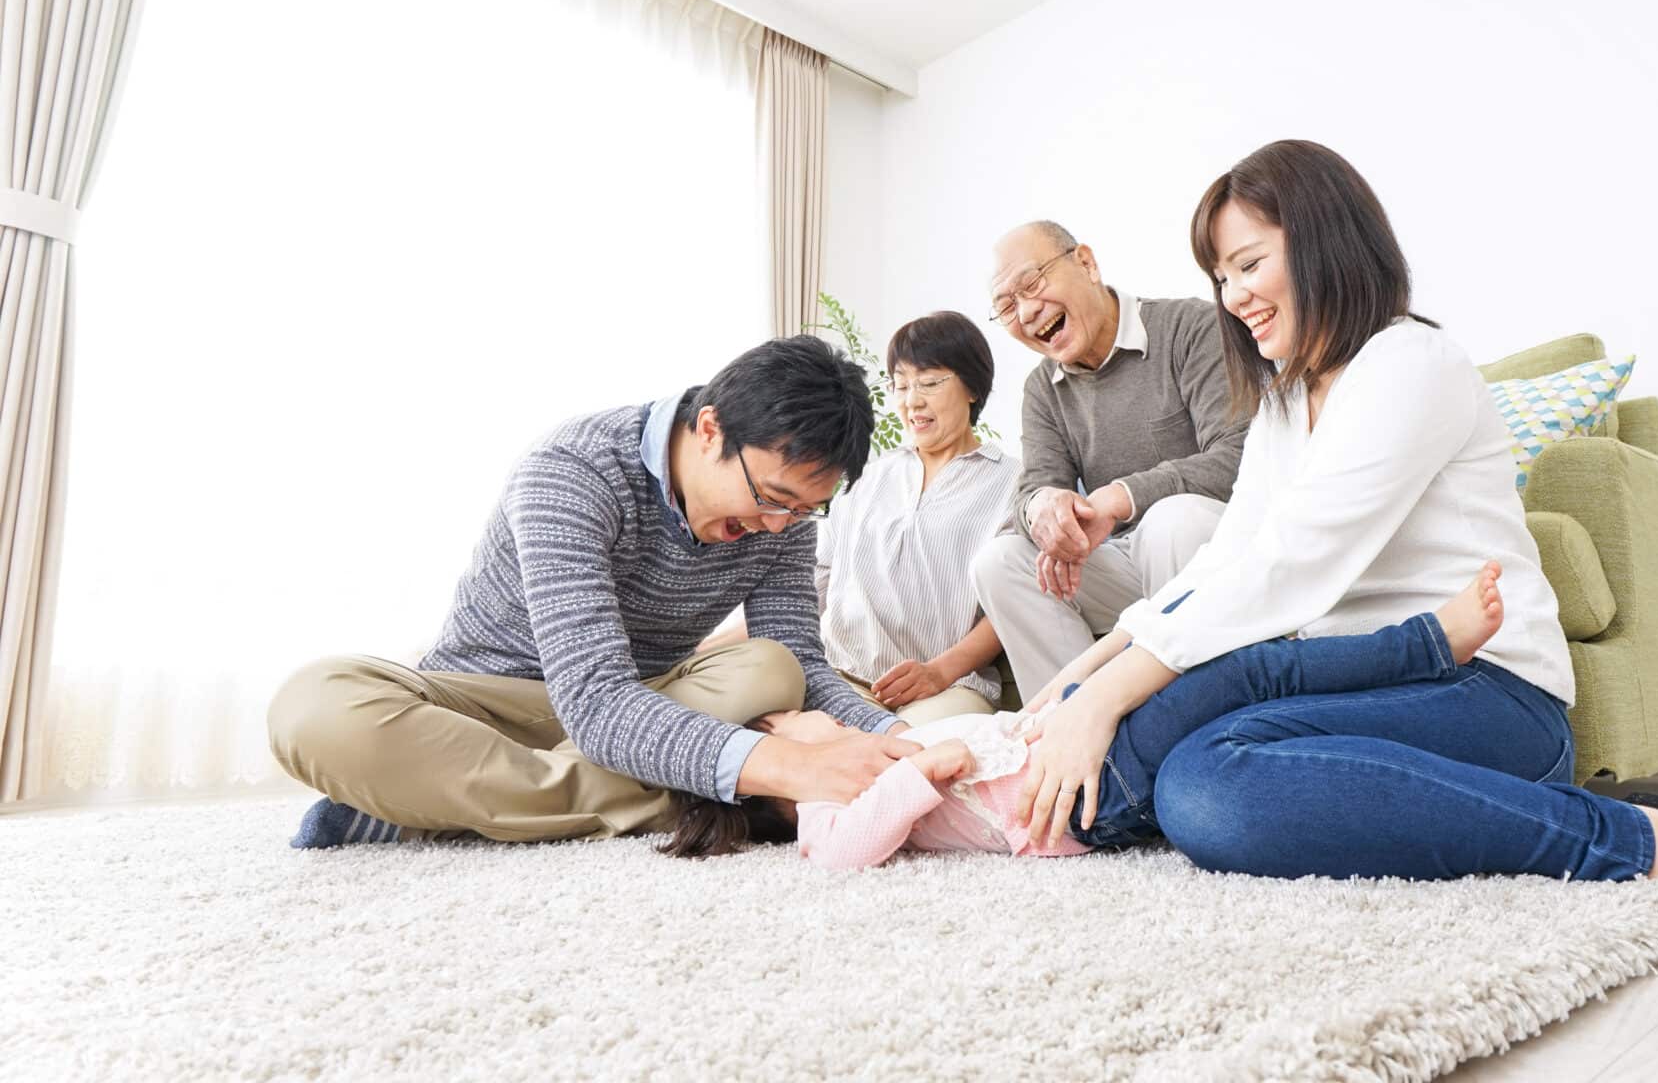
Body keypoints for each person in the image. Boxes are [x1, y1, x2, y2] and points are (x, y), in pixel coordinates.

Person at [1008, 139, 1658, 935]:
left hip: (1485, 693)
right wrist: (1077, 683)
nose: (1234, 298)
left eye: (1248, 265)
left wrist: (1111, 695)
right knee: (1188, 770)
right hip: (1360, 678)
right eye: (1220, 278)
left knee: (1205, 790)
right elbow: (1227, 557)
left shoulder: (1410, 365)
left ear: (1323, 241)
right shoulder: (1283, 400)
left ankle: (1634, 840)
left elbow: (1290, 565)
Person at [266, 336, 920, 849]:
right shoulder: (574, 470)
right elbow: (593, 699)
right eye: (772, 499)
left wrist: (903, 743)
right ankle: (698, 797)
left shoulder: (783, 519)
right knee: (312, 709)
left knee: (770, 668)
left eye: (805, 510)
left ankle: (433, 811)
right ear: (711, 428)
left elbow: (800, 663)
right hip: (490, 709)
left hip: (644, 701)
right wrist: (790, 769)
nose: (777, 526)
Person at [666, 564, 1512, 867]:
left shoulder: (884, 745)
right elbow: (842, 859)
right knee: (1246, 670)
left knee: (1243, 673)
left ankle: (1410, 677)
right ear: (769, 756)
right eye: (790, 717)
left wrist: (1070, 691)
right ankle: (1423, 646)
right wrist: (919, 774)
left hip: (1080, 750)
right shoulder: (820, 801)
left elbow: (1009, 724)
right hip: (1088, 798)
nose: (811, 712)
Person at [969, 220, 1248, 701]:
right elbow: (1032, 489)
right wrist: (1044, 509)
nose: (1027, 310)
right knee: (998, 562)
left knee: (1171, 521)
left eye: (1032, 284)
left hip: (1211, 552)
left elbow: (1240, 455)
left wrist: (1123, 497)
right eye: (1006, 306)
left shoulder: (1190, 328)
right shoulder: (1042, 389)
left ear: (1086, 263)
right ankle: (1069, 726)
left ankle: (1187, 716)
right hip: (1123, 566)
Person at [699, 312, 1018, 726]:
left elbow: (1009, 606)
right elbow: (810, 586)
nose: (912, 401)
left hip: (949, 686)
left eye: (929, 382)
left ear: (972, 386)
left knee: (919, 760)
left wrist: (939, 672)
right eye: (900, 385)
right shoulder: (866, 475)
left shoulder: (1013, 481)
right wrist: (703, 651)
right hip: (839, 676)